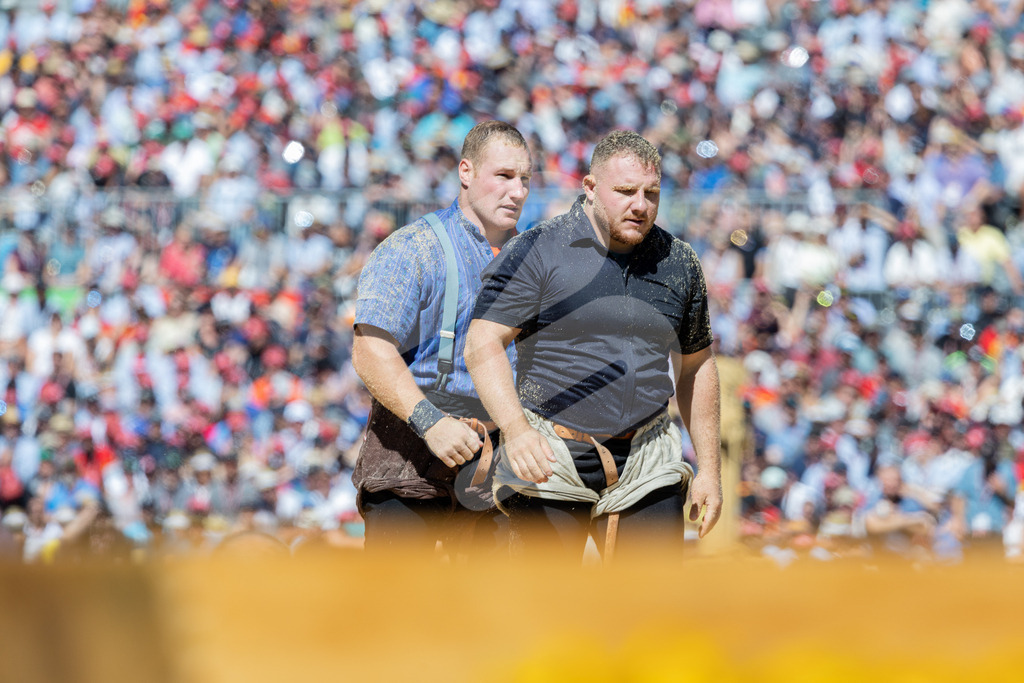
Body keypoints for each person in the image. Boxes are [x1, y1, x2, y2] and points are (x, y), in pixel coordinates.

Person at [464, 130, 722, 564]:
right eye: (625, 191)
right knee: (544, 612)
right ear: (589, 187)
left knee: (651, 613)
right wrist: (516, 430)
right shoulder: (538, 248)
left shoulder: (679, 261)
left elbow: (696, 367)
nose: (640, 204)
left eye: (651, 193)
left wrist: (710, 472)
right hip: (551, 452)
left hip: (648, 456)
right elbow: (482, 341)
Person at [350, 120, 532, 558]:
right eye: (505, 176)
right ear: (466, 173)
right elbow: (370, 348)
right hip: (411, 454)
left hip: (499, 463)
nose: (518, 191)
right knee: (395, 610)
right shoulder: (413, 247)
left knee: (492, 616)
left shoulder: (533, 259)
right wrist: (431, 422)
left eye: (526, 179)